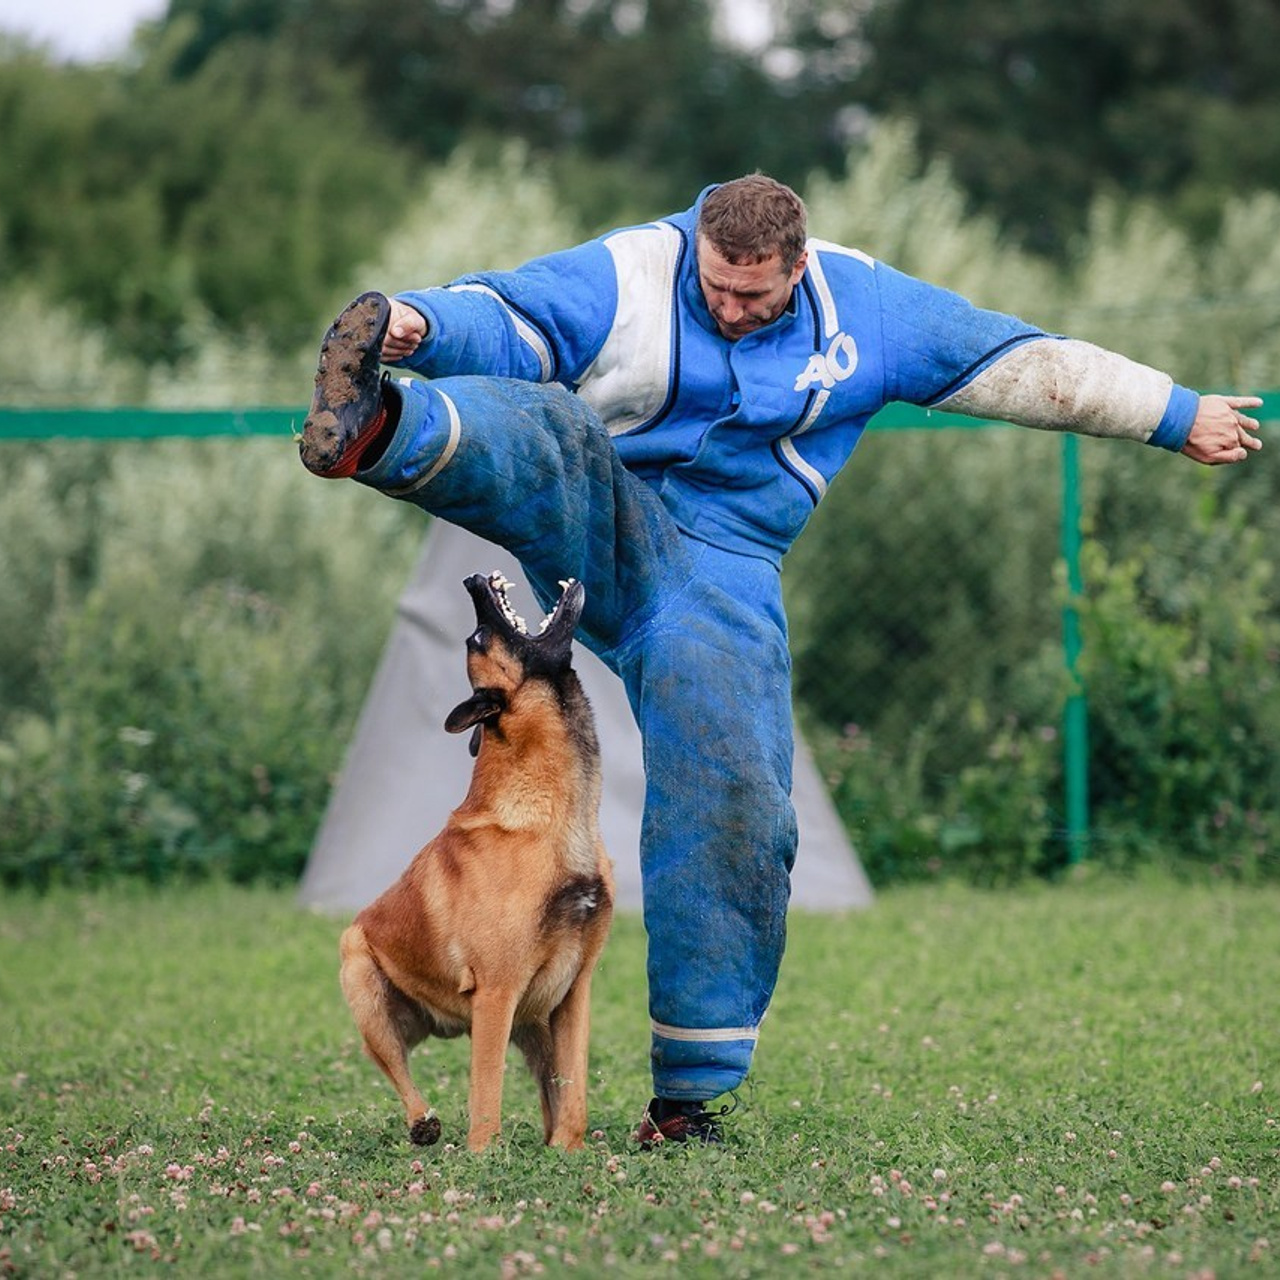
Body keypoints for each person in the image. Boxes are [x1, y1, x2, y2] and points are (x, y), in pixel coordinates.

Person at [299, 174, 1262, 1147]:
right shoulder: (638, 272)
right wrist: (424, 320)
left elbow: (1014, 358)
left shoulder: (868, 310)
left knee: (742, 799)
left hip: (722, 568)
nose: (727, 306)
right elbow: (520, 315)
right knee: (550, 431)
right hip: (611, 509)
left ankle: (683, 1100)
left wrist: (1174, 413)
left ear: (797, 268)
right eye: (716, 286)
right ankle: (377, 426)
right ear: (700, 249)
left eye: (752, 295)